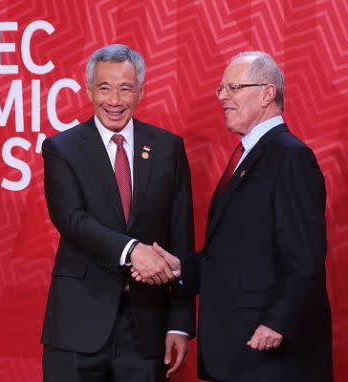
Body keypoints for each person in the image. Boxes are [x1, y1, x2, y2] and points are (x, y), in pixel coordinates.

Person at [136, 51, 332, 382]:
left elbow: (306, 256)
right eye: (221, 89)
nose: (223, 97)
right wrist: (181, 268)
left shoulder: (290, 157)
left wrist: (277, 322)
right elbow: (237, 252)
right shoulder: (249, 155)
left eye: (234, 87)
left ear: (268, 93)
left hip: (271, 355)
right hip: (240, 351)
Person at [40, 44, 195, 382]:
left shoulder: (168, 148)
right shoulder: (61, 148)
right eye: (104, 88)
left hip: (146, 327)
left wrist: (180, 324)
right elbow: (70, 219)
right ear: (89, 89)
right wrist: (132, 251)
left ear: (140, 90)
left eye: (125, 88)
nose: (114, 100)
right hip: (77, 325)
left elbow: (180, 236)